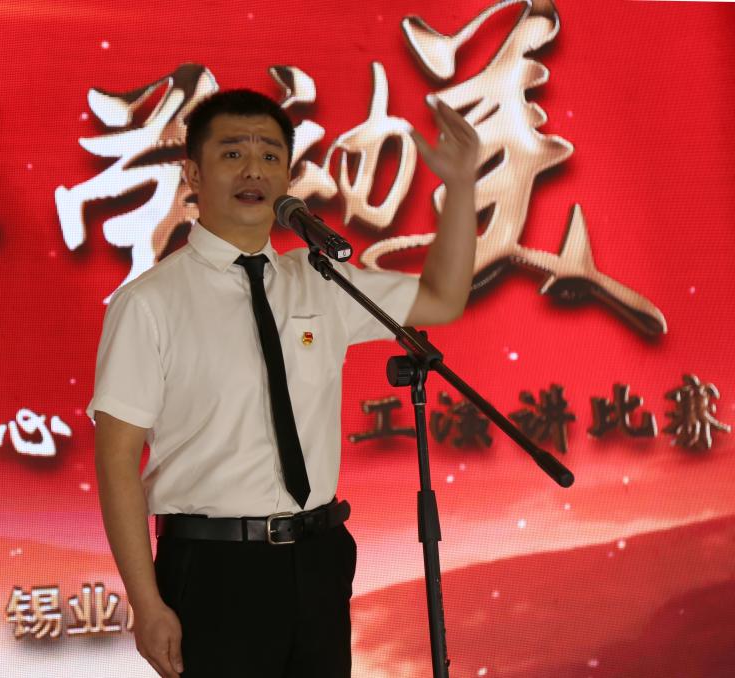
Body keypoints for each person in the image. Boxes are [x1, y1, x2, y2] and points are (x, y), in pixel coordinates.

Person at [90, 89, 478, 678]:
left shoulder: (322, 281)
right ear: (193, 174)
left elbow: (443, 298)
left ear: (288, 177)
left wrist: (462, 186)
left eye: (270, 156)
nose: (254, 170)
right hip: (215, 569)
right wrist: (146, 604)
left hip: (319, 556)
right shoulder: (149, 304)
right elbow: (116, 460)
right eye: (233, 153)